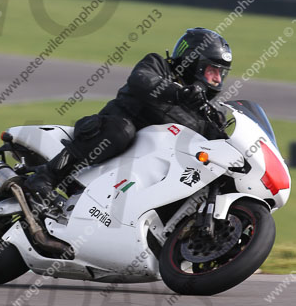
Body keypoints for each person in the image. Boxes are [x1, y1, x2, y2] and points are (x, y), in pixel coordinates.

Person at [24, 27, 232, 204]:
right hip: (108, 134)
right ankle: (46, 177)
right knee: (121, 131)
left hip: (147, 167)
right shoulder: (158, 66)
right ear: (193, 61)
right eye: (212, 70)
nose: (216, 79)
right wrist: (178, 92)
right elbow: (141, 79)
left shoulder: (208, 109)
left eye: (221, 73)